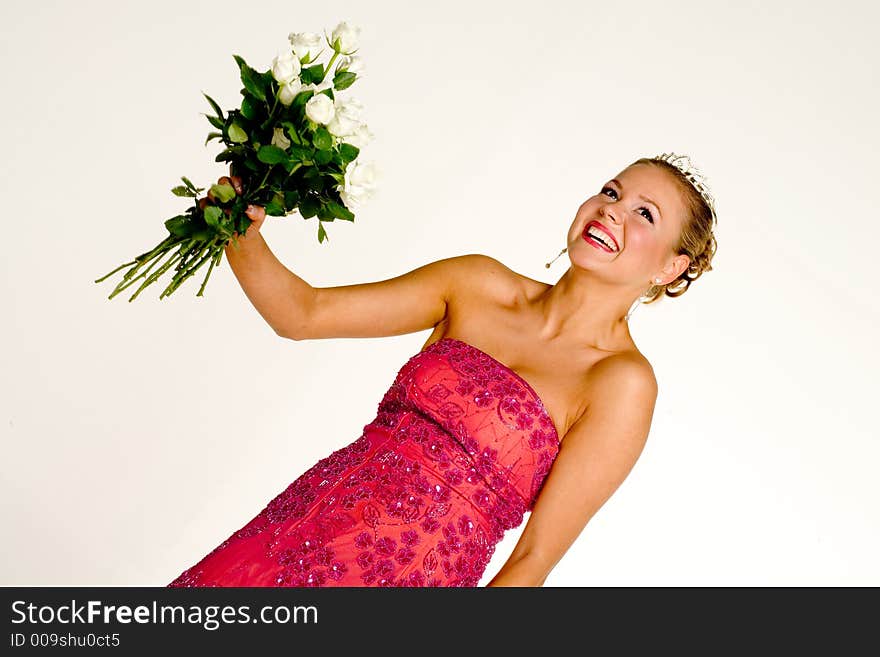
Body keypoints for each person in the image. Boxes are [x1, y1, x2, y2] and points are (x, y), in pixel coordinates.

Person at [167, 153, 718, 587]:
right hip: (300, 530)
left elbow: (531, 562)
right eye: (611, 191)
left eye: (645, 214)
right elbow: (303, 313)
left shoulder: (621, 383)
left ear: (672, 267)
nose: (611, 210)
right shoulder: (475, 284)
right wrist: (235, 220)